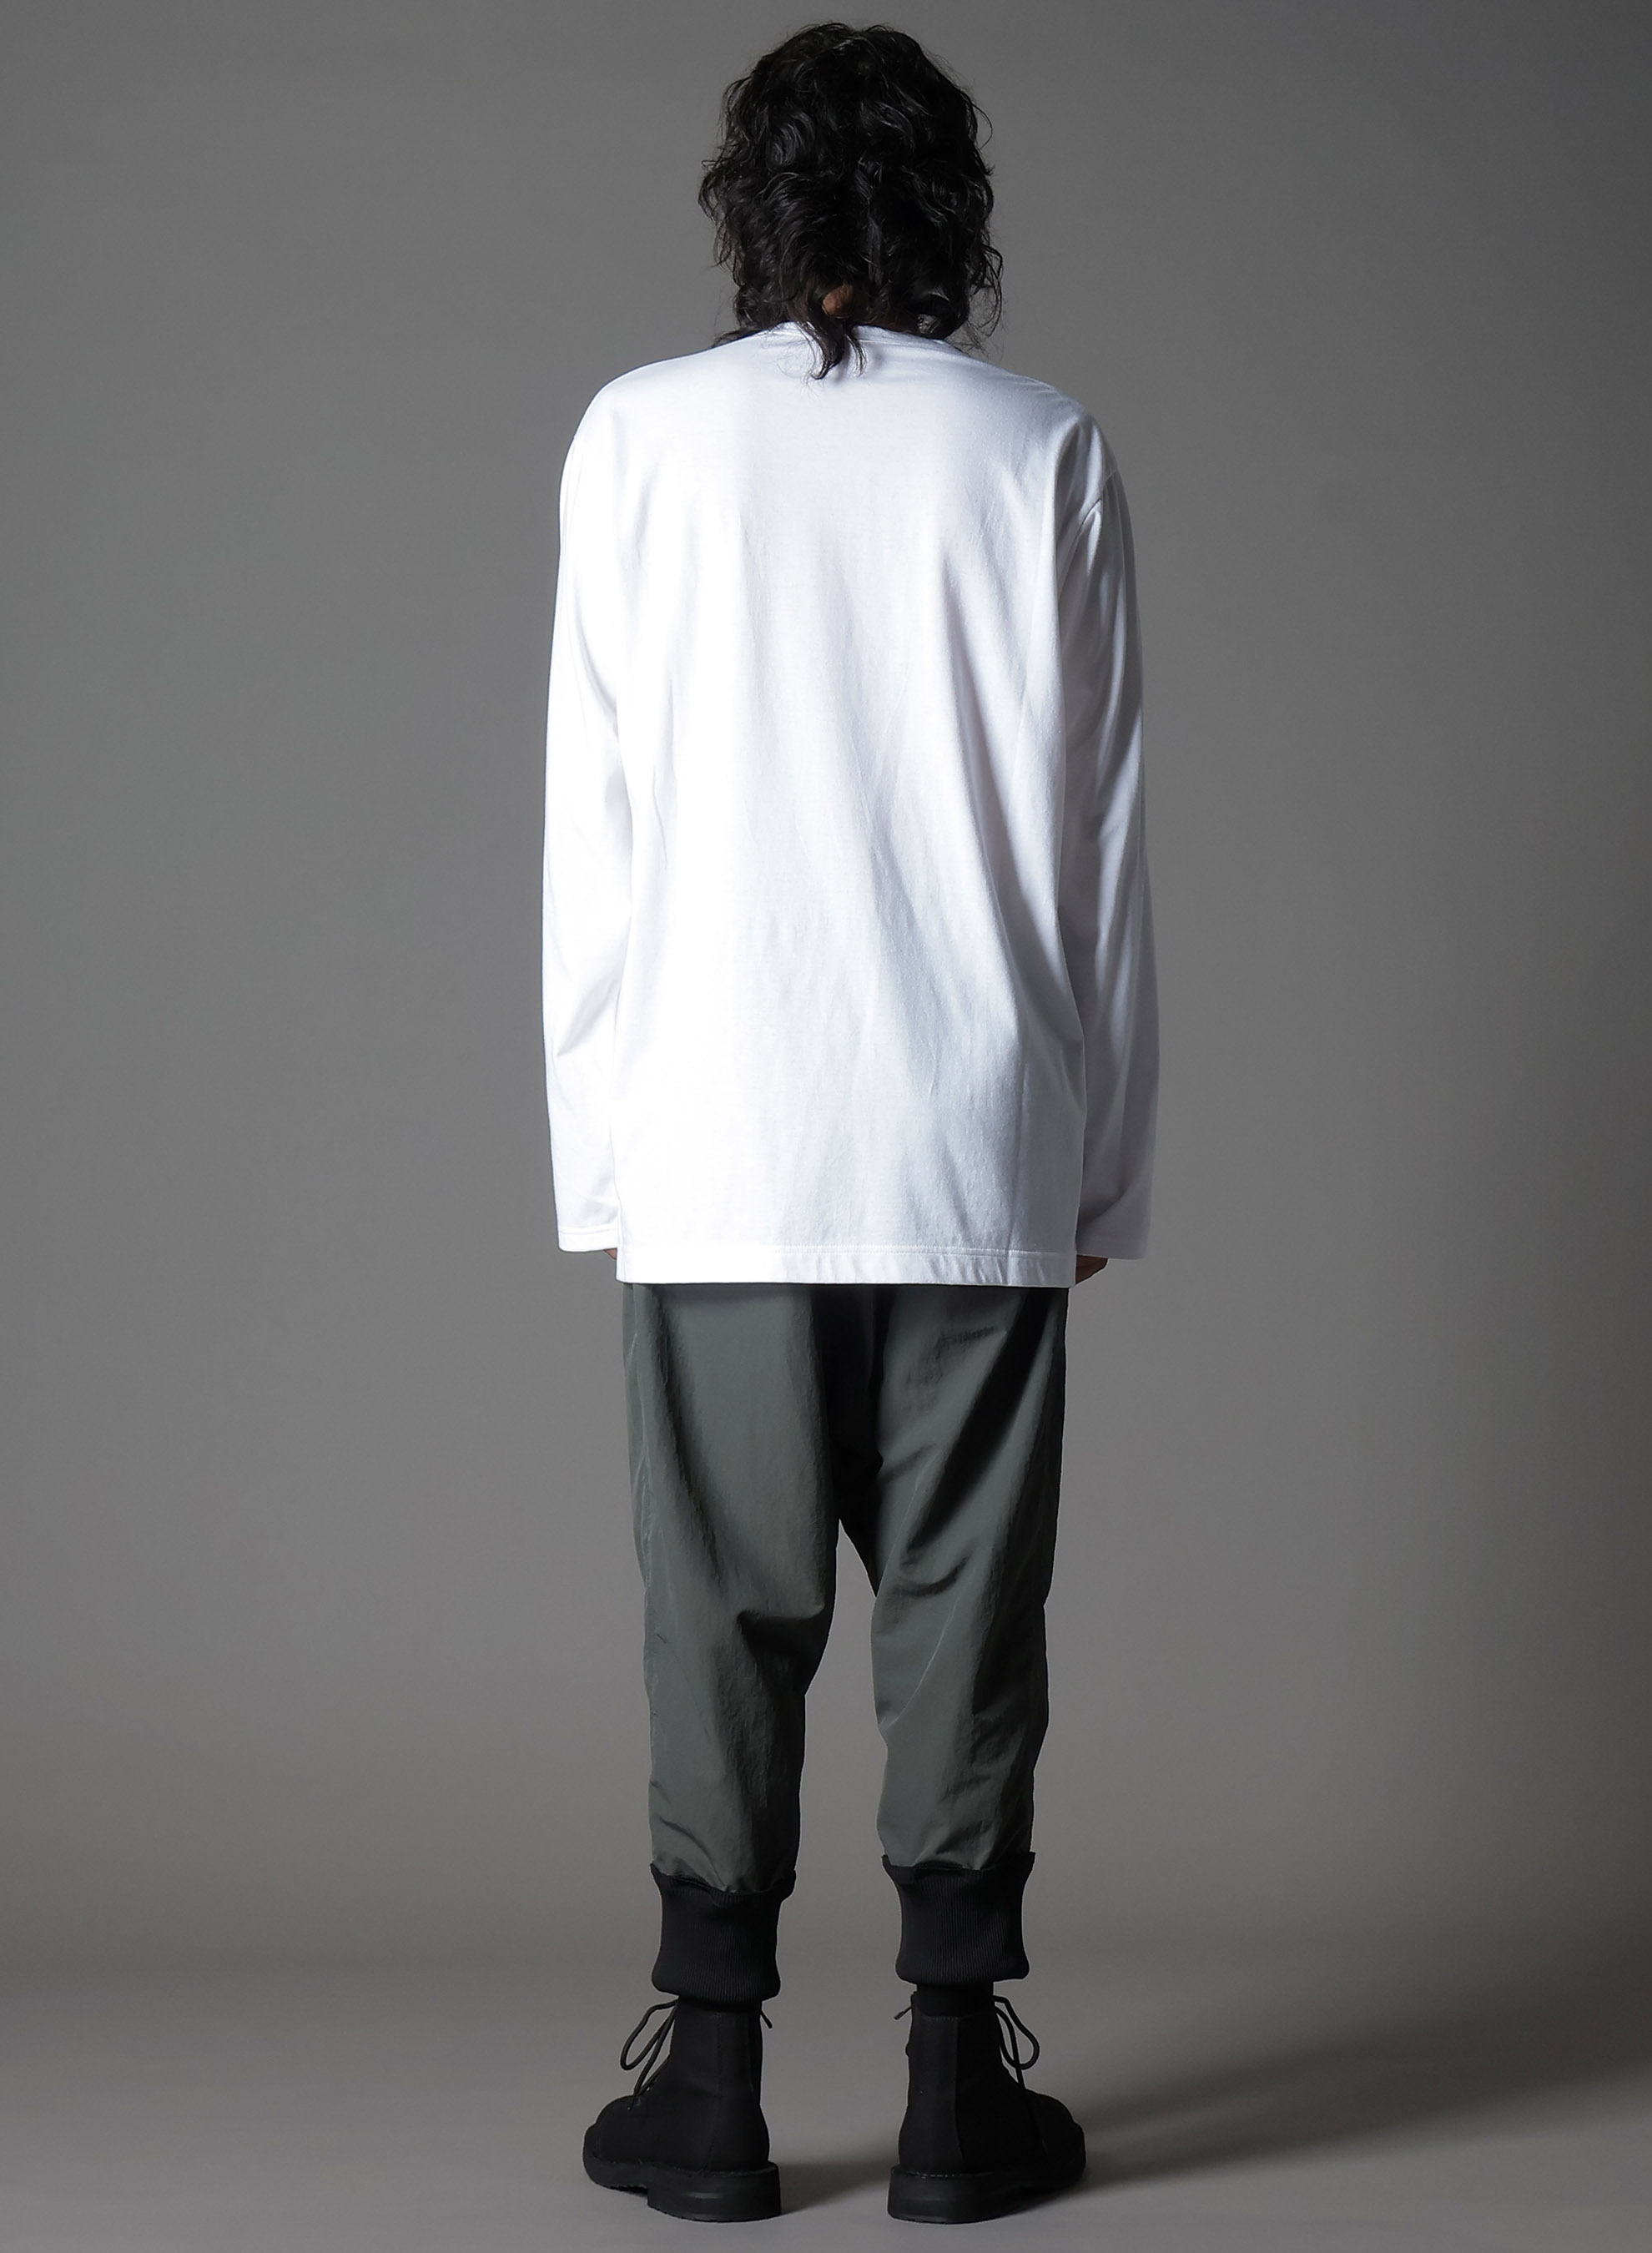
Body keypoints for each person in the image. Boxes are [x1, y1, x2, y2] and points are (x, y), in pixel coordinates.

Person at [541, 19, 1156, 2226]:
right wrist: (1101, 1163)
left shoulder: (637, 437)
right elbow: (1099, 847)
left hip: (718, 1130)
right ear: (946, 207)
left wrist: (608, 1158)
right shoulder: (1039, 444)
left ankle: (710, 2085)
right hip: (972, 1127)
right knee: (966, 1613)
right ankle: (953, 2088)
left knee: (719, 1610)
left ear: (754, 199)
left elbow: (594, 835)